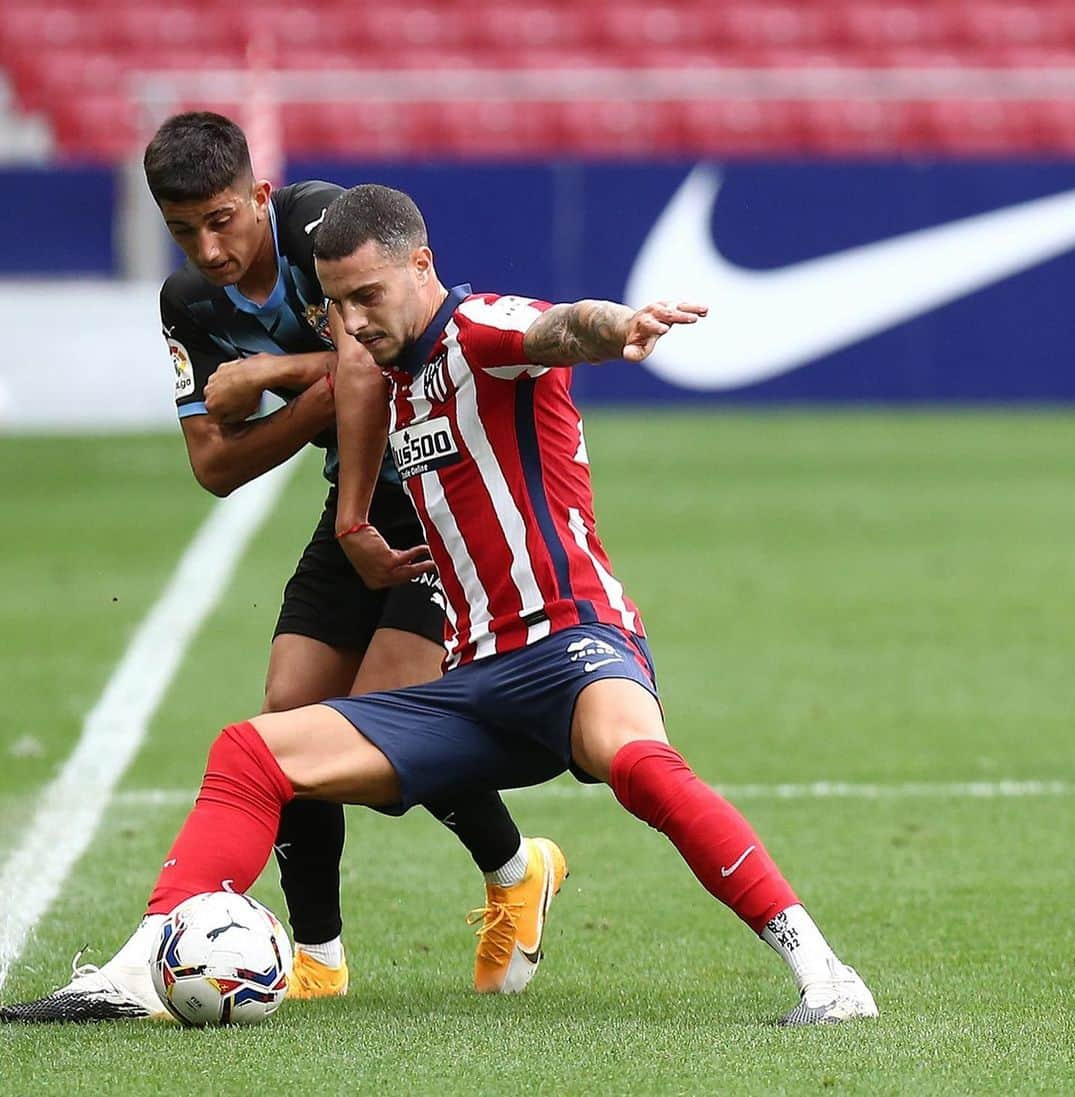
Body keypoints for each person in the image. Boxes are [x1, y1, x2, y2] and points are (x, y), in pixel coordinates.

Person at [2, 183, 877, 1027]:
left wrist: (618, 326)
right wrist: (350, 520)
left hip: (575, 643)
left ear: (422, 265)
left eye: (368, 297)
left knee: (637, 760)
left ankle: (826, 974)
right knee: (253, 747)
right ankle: (143, 960)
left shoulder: (477, 330)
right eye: (338, 302)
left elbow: (555, 326)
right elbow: (348, 394)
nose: (352, 322)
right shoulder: (390, 373)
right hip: (476, 684)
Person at [0, 117, 565, 1023]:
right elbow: (215, 466)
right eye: (184, 230)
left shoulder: (323, 226)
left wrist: (269, 374)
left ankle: (516, 868)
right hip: (353, 493)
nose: (208, 247)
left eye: (223, 220)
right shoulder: (185, 301)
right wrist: (317, 392)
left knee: (385, 728)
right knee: (288, 722)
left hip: (429, 492)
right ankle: (318, 957)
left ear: (260, 195)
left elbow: (385, 355)